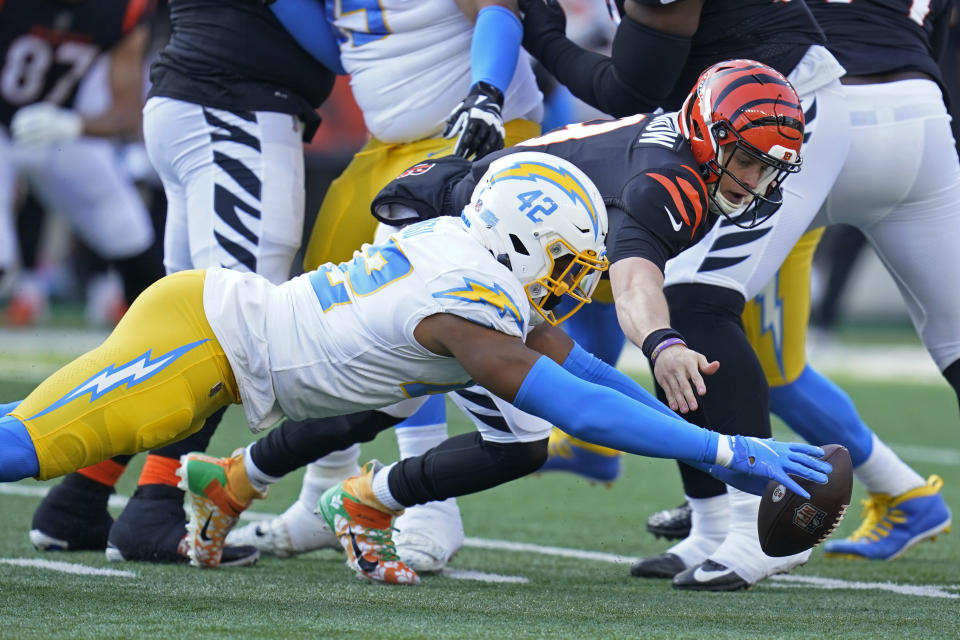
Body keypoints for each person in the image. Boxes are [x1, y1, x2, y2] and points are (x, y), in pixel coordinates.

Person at [0, 151, 832, 587]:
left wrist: (712, 440)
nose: (576, 281)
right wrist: (729, 455)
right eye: (571, 262)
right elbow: (576, 412)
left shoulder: (469, 263)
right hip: (197, 345)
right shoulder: (465, 300)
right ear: (528, 243)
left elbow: (591, 376)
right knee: (18, 450)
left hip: (215, 341)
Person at [182, 58, 813, 583]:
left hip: (480, 239)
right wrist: (662, 342)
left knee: (403, 396)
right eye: (750, 161)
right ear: (709, 137)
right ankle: (362, 501)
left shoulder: (687, 154)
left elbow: (587, 355)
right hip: (463, 246)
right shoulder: (667, 182)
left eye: (770, 167)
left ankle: (242, 480)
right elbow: (634, 282)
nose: (757, 181)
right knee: (507, 437)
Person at [519, 0, 854, 590]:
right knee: (676, 309)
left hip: (774, 126)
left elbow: (628, 86)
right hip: (750, 119)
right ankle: (711, 519)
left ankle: (761, 524)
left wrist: (542, 33)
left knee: (699, 304)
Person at [224, 0, 545, 572]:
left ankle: (428, 503)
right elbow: (347, 50)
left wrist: (487, 91)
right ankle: (324, 489)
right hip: (388, 149)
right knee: (330, 313)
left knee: (425, 310)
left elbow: (498, 8)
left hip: (469, 140)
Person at [27, 0, 343, 567]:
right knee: (233, 326)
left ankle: (80, 496)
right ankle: (153, 507)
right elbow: (337, 47)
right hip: (236, 108)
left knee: (177, 331)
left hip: (197, 97)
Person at [0, 0, 163, 326]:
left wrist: (73, 125)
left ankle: (154, 343)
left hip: (63, 126)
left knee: (129, 232)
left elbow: (129, 116)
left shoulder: (123, 9)